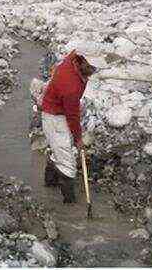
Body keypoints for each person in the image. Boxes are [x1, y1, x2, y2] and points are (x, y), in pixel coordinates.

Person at [40, 50, 97, 203]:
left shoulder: (72, 60)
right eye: (90, 69)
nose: (92, 73)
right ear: (83, 65)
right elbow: (73, 116)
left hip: (56, 112)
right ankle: (69, 203)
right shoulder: (70, 88)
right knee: (68, 165)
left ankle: (50, 183)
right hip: (55, 118)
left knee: (59, 148)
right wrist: (78, 139)